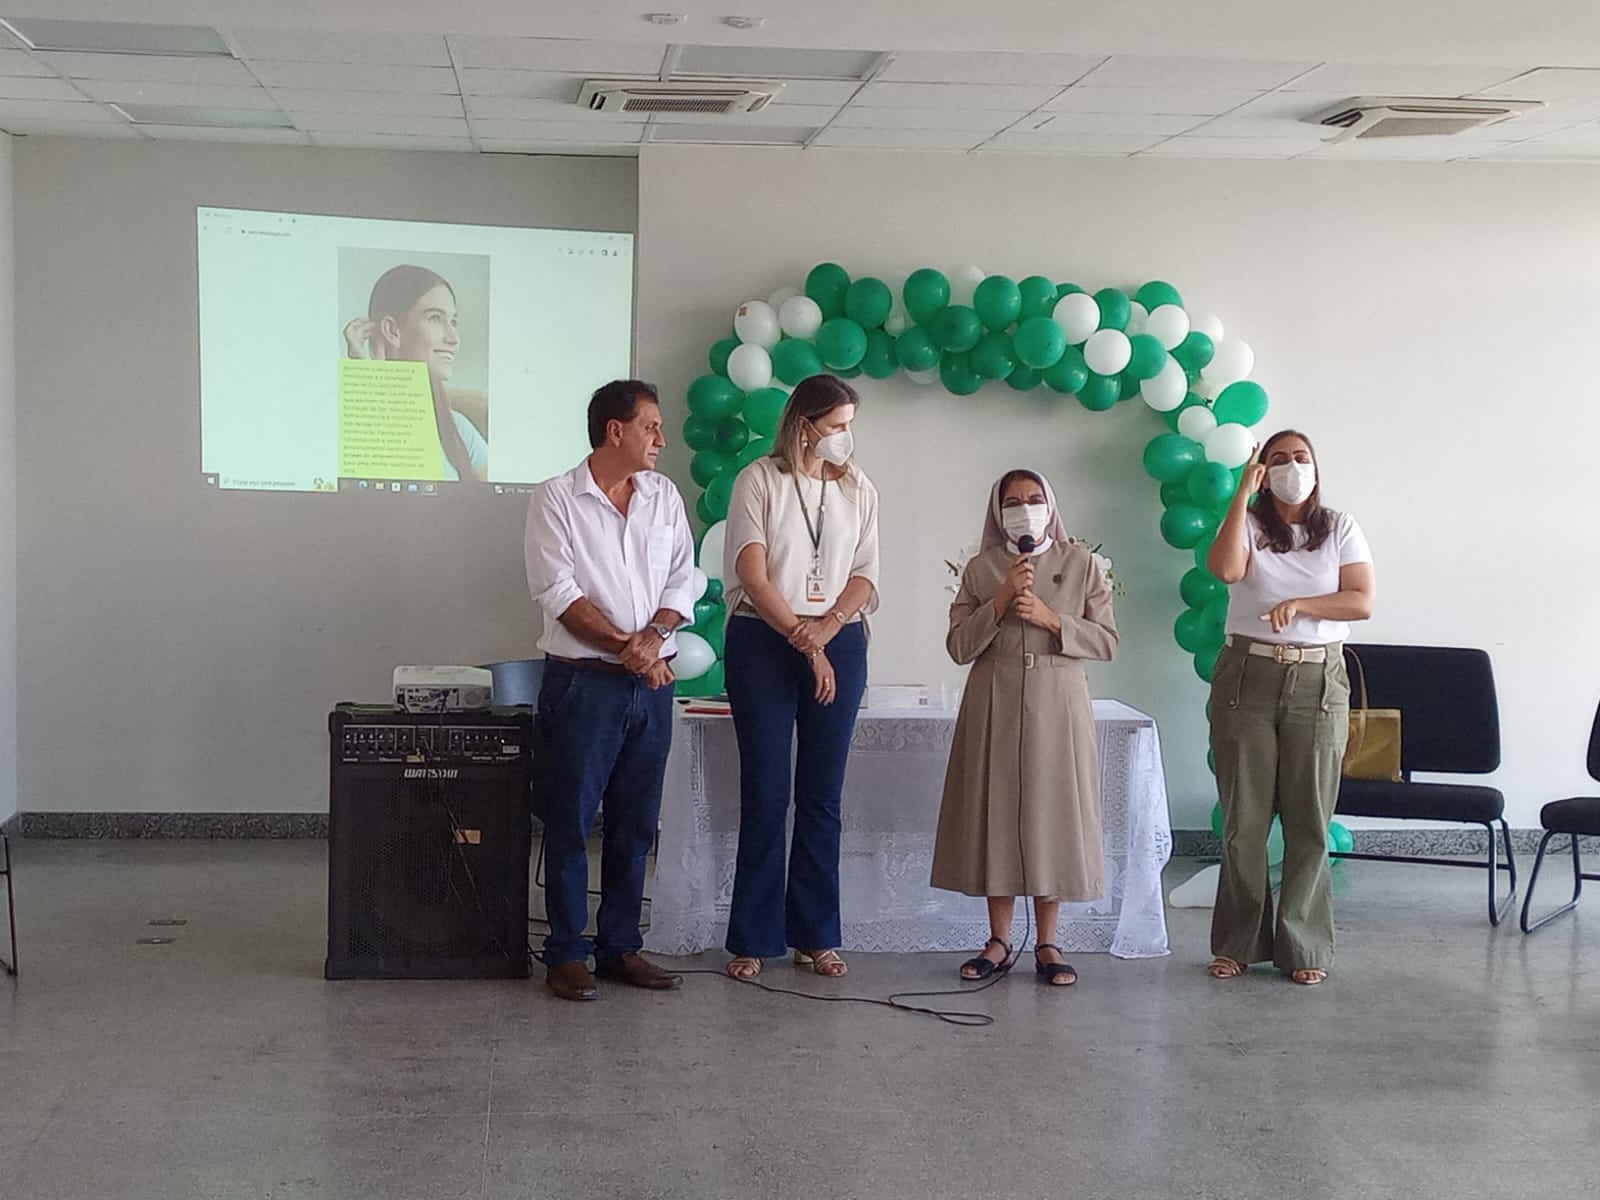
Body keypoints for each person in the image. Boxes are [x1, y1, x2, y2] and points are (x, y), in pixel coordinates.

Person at [523, 380, 696, 1001]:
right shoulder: (555, 499)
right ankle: (567, 952)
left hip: (652, 688)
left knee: (636, 823)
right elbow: (559, 592)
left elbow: (684, 578)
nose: (661, 439)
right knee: (571, 820)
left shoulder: (663, 496)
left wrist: (654, 637)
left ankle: (620, 945)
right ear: (615, 431)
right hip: (584, 685)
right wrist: (633, 650)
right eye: (651, 426)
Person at [931, 469, 1119, 986]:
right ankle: (998, 938)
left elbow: (1107, 640)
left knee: (1050, 813)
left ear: (1050, 506)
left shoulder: (1080, 563)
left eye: (1034, 499)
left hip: (1057, 699)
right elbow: (958, 646)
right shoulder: (981, 568)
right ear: (998, 511)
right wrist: (1000, 600)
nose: (1024, 510)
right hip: (994, 697)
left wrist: (1052, 619)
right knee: (997, 811)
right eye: (1012, 502)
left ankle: (1048, 941)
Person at [721, 375, 880, 981]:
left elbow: (865, 575)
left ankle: (816, 936)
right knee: (766, 791)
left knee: (822, 795)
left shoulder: (859, 488)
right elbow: (752, 572)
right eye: (836, 425)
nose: (844, 437)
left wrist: (828, 628)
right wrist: (802, 638)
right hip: (763, 638)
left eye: (849, 426)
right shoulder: (759, 480)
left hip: (839, 638)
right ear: (805, 425)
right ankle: (753, 938)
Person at [1205, 429, 1375, 987]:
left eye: (1301, 458)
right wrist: (1241, 495)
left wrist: (1301, 604)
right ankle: (1237, 943)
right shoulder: (1250, 524)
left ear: (1316, 468)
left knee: (1310, 819)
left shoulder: (1340, 527)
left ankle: (1304, 945)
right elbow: (1226, 570)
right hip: (1246, 676)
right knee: (1244, 821)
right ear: (1262, 471)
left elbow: (1361, 600)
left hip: (1318, 679)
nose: (1292, 467)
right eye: (1279, 460)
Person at [344, 265, 488, 482]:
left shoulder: (457, 427)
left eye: (453, 322)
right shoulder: (353, 425)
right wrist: (370, 382)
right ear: (392, 331)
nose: (454, 338)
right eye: (435, 318)